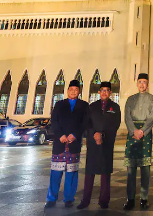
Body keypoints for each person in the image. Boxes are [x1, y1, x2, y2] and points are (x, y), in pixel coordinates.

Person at [77, 81, 122, 210]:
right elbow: (87, 123)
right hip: (93, 143)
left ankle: (104, 200)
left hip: (107, 143)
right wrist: (94, 134)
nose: (104, 92)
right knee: (90, 172)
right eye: (102, 90)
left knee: (105, 173)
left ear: (110, 93)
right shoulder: (92, 107)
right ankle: (85, 200)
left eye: (107, 90)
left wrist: (103, 135)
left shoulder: (115, 107)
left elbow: (115, 125)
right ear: (99, 92)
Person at [45, 80, 88, 209]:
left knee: (72, 173)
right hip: (60, 144)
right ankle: (51, 198)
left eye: (76, 89)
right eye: (71, 89)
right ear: (67, 90)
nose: (73, 91)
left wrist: (75, 134)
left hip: (74, 144)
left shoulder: (84, 105)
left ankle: (69, 198)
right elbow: (54, 121)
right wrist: (60, 135)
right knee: (56, 173)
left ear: (79, 91)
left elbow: (85, 123)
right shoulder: (59, 104)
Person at [123, 73, 153, 211]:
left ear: (147, 84)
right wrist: (134, 131)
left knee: (145, 168)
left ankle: (144, 198)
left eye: (144, 82)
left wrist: (142, 131)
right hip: (132, 134)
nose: (142, 84)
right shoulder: (130, 99)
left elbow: (152, 117)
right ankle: (130, 198)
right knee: (131, 168)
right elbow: (127, 117)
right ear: (137, 84)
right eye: (140, 82)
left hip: (145, 135)